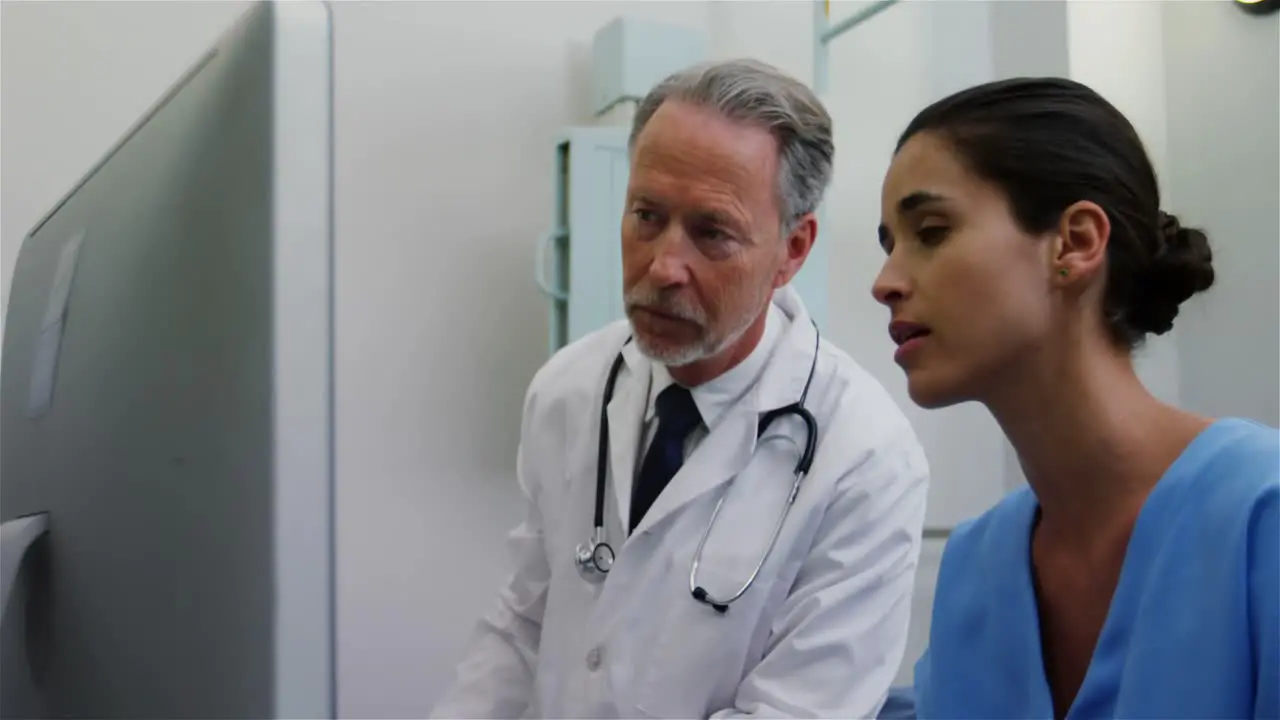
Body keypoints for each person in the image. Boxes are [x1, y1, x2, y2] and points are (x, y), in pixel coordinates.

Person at [431, 59, 931, 719]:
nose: (663, 266)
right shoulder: (570, 389)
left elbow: (798, 711)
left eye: (712, 233)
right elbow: (522, 624)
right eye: (646, 215)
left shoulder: (866, 459)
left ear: (793, 249)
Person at [872, 76, 1279, 719]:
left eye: (931, 231)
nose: (885, 283)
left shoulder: (1263, 515)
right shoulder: (976, 569)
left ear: (1077, 242)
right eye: (889, 244)